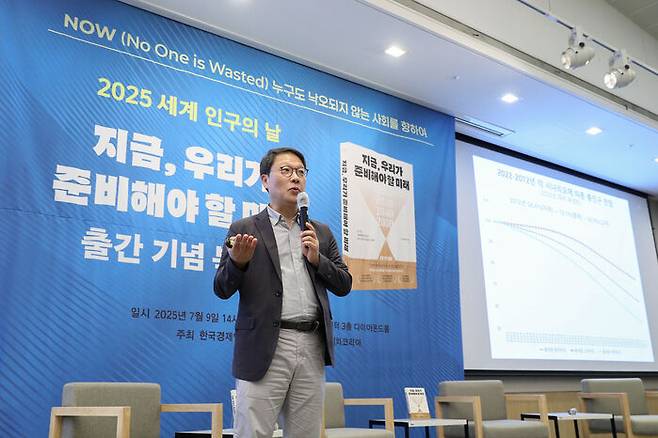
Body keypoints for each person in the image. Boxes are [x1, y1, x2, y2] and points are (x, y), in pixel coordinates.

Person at [214, 147, 352, 438]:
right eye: (286, 171)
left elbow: (344, 284)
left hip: (312, 344)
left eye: (301, 172)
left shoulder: (321, 232)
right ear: (265, 180)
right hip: (265, 345)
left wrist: (318, 259)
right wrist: (238, 263)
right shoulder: (244, 228)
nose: (296, 178)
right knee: (253, 432)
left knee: (306, 433)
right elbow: (221, 288)